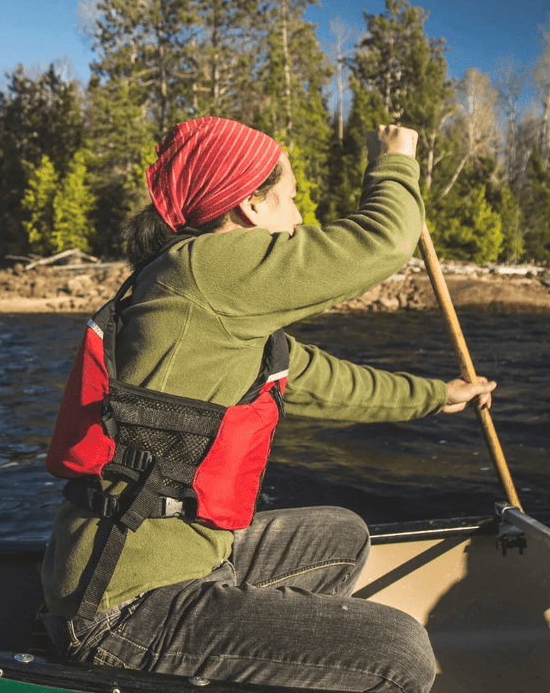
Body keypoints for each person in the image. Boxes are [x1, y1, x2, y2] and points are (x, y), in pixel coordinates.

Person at [40, 117, 496, 693]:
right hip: (126, 607)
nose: (300, 218)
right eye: (292, 198)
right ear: (251, 208)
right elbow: (383, 242)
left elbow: (320, 380)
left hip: (170, 567)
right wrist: (396, 159)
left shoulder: (208, 294)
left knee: (342, 535)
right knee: (399, 653)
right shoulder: (206, 269)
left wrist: (436, 396)